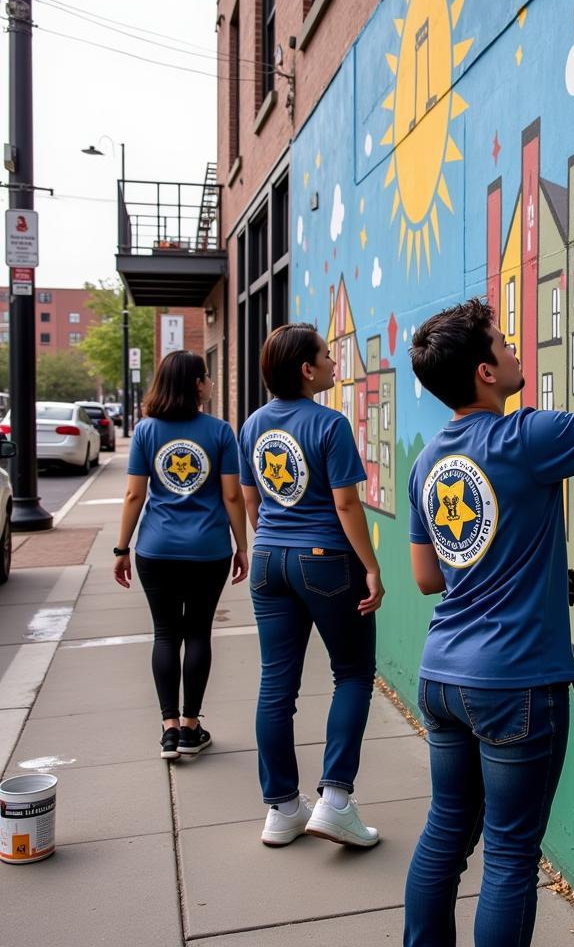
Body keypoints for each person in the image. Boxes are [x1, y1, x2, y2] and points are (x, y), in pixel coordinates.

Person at [403, 270, 574, 947]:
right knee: (512, 856)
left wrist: (527, 575)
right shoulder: (523, 437)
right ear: (487, 373)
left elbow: (429, 577)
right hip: (514, 684)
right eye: (506, 345)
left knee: (444, 832)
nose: (519, 352)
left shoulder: (428, 461)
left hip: (442, 678)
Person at [239, 323, 384, 849]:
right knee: (352, 674)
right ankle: (336, 801)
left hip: (269, 559)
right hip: (325, 561)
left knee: (276, 685)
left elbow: (253, 503)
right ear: (306, 369)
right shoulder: (331, 424)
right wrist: (370, 567)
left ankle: (281, 809)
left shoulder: (253, 425)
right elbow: (347, 505)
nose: (331, 362)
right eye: (325, 355)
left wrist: (275, 544)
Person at [114, 350, 249, 761]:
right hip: (208, 551)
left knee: (165, 634)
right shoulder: (220, 432)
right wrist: (243, 545)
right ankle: (191, 727)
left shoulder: (146, 431)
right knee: (198, 634)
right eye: (206, 376)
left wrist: (122, 548)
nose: (210, 382)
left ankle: (168, 730)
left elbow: (135, 494)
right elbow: (231, 495)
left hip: (155, 549)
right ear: (196, 385)